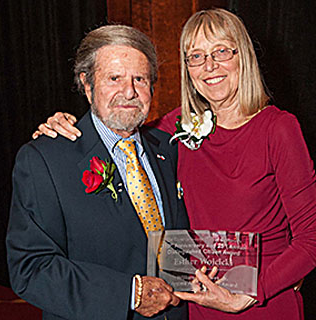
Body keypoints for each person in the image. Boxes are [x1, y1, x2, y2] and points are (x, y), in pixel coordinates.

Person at [35, 8, 316, 320]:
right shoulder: (178, 126)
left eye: (221, 51)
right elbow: (117, 130)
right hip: (196, 306)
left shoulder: (278, 128)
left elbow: (310, 239)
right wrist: (64, 126)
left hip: (259, 306)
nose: (210, 66)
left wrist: (252, 295)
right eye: (196, 56)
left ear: (244, 57)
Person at [6, 25, 190, 320]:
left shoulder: (169, 151)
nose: (129, 91)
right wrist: (129, 294)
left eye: (139, 79)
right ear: (87, 84)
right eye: (114, 78)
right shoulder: (44, 160)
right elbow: (31, 269)